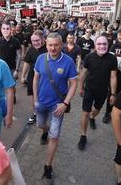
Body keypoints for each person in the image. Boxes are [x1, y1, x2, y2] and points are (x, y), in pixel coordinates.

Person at [33, 32, 77, 181]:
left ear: (61, 45)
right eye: (50, 45)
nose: (53, 48)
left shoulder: (68, 62)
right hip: (41, 103)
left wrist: (65, 104)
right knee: (41, 125)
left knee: (55, 135)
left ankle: (48, 166)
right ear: (46, 45)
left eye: (56, 45)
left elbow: (74, 84)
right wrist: (35, 99)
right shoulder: (40, 58)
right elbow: (36, 78)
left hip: (57, 106)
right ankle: (45, 131)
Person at [78, 35, 117, 150]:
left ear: (108, 45)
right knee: (85, 112)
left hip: (103, 91)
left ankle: (92, 117)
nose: (102, 46)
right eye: (99, 44)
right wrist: (80, 88)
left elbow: (113, 76)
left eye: (104, 44)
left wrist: (113, 94)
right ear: (95, 45)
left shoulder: (112, 58)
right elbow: (84, 74)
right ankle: (83, 136)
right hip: (89, 89)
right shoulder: (89, 57)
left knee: (97, 110)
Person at [21, 30, 47, 124]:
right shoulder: (31, 49)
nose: (35, 43)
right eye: (33, 41)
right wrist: (23, 76)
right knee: (33, 96)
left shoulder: (48, 49)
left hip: (45, 79)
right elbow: (27, 62)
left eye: (37, 40)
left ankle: (45, 114)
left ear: (43, 39)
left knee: (44, 97)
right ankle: (35, 113)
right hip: (32, 78)